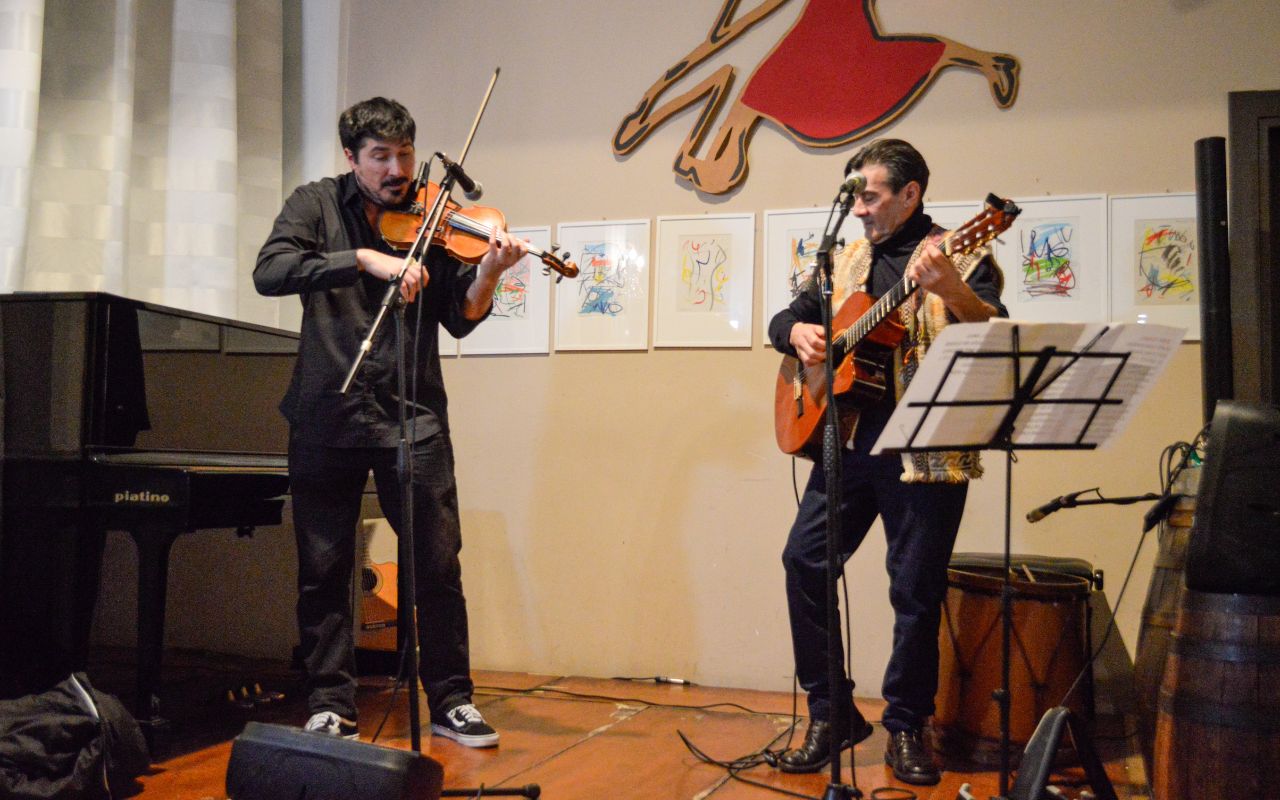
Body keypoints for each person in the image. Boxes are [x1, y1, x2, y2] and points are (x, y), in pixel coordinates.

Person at [254, 97, 527, 747]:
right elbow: (270, 271)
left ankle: (452, 699)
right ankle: (330, 701)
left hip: (414, 414)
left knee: (436, 562)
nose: (397, 169)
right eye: (381, 157)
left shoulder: (433, 213)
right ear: (351, 158)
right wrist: (363, 260)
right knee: (324, 567)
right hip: (327, 409)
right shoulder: (315, 205)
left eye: (405, 154)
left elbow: (461, 315)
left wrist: (488, 270)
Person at [767, 139, 1006, 784]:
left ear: (910, 194)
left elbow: (992, 332)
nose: (860, 209)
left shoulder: (965, 249)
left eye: (868, 196)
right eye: (854, 197)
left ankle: (906, 726)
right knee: (804, 563)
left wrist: (952, 288)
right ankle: (830, 711)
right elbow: (784, 316)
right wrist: (796, 332)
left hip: (926, 449)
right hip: (846, 441)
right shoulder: (844, 256)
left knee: (914, 591)